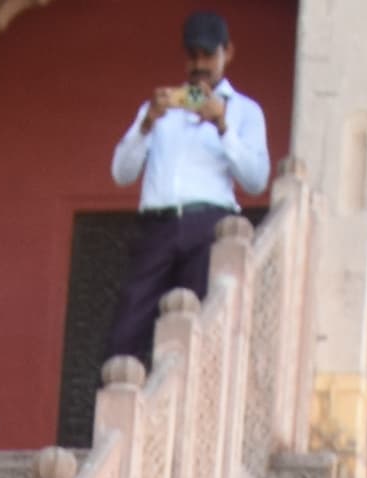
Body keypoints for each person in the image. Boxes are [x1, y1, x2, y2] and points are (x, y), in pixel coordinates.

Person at [103, 13, 269, 374]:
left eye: (208, 55)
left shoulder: (244, 111)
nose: (199, 65)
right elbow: (121, 173)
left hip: (207, 227)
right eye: (192, 56)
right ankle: (116, 417)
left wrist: (222, 123)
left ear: (228, 53)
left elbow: (256, 179)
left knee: (202, 328)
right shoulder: (163, 110)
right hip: (157, 227)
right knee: (127, 330)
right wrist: (148, 122)